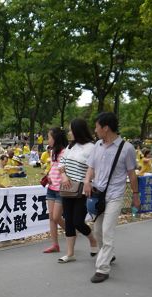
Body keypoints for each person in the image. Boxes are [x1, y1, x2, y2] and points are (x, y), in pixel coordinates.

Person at [83, 112, 140, 283]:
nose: (95, 130)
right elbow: (91, 168)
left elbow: (132, 174)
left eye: (97, 126)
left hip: (115, 196)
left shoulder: (127, 148)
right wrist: (87, 181)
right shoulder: (97, 146)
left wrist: (135, 196)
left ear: (105, 128)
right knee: (98, 231)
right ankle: (109, 255)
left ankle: (102, 269)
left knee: (107, 231)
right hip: (98, 195)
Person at [57, 119, 98, 262]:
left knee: (78, 221)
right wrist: (63, 176)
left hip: (83, 190)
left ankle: (92, 240)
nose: (69, 132)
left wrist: (88, 181)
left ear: (78, 131)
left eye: (71, 130)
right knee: (68, 220)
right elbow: (61, 164)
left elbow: (94, 169)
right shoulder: (70, 146)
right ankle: (70, 253)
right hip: (67, 189)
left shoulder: (92, 148)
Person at [42, 127, 68, 253]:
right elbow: (53, 168)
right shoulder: (53, 152)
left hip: (61, 189)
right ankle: (55, 245)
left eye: (49, 137)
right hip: (51, 188)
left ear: (55, 138)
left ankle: (70, 231)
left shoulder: (65, 153)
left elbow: (64, 170)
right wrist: (48, 177)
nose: (48, 140)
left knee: (56, 216)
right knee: (51, 217)